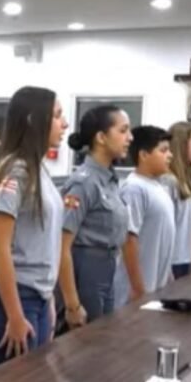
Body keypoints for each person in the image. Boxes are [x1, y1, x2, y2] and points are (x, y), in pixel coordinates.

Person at [0, 86, 67, 367]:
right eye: (57, 116)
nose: (64, 124)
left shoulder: (38, 169)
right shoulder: (17, 172)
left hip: (36, 296)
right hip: (13, 298)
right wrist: (15, 315)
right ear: (33, 120)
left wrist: (48, 298)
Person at [58, 105, 132, 327]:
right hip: (86, 269)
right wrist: (72, 305)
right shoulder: (84, 182)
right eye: (123, 131)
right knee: (88, 340)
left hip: (108, 267)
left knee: (104, 336)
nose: (130, 137)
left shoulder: (109, 179)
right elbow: (61, 246)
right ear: (101, 137)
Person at [116, 126, 175, 307]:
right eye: (163, 150)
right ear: (143, 155)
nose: (170, 155)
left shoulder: (158, 186)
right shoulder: (134, 188)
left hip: (155, 285)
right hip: (138, 291)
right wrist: (138, 288)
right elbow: (129, 239)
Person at [165, 122, 191, 278]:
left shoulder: (184, 179)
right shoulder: (169, 182)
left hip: (185, 257)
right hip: (173, 260)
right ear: (181, 146)